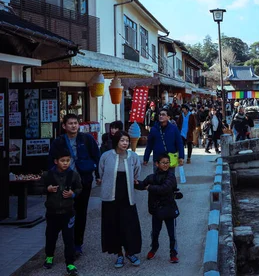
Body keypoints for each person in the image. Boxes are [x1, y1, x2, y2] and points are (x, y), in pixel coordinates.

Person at [48, 114, 100, 257]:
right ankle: (66, 243)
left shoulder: (87, 139)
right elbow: (50, 161)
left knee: (81, 212)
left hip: (83, 181)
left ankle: (77, 244)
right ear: (64, 126)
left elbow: (97, 156)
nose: (73, 126)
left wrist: (98, 175)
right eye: (70, 123)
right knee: (64, 212)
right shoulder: (58, 142)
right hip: (63, 182)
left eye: (75, 123)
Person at [98, 131, 142, 268]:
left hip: (127, 196)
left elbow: (137, 172)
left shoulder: (133, 156)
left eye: (127, 141)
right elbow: (101, 172)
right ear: (116, 141)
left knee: (129, 225)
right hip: (110, 196)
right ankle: (118, 254)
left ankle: (130, 252)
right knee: (113, 225)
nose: (125, 143)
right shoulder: (106, 156)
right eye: (122, 140)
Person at [42, 149, 82, 275]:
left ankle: (70, 263)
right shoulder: (48, 175)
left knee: (69, 239)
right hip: (52, 212)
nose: (65, 163)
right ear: (56, 161)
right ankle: (49, 256)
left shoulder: (73, 174)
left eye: (68, 161)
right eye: (62, 161)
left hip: (68, 212)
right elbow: (38, 187)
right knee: (50, 236)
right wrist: (47, 189)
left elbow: (79, 187)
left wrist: (73, 193)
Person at [135, 153, 179, 263]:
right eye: (163, 163)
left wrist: (150, 187)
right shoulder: (151, 177)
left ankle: (173, 253)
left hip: (169, 209)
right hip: (156, 210)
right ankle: (154, 248)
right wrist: (135, 183)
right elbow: (142, 185)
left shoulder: (171, 176)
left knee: (172, 233)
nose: (165, 165)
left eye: (167, 163)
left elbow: (164, 188)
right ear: (157, 164)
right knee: (155, 232)